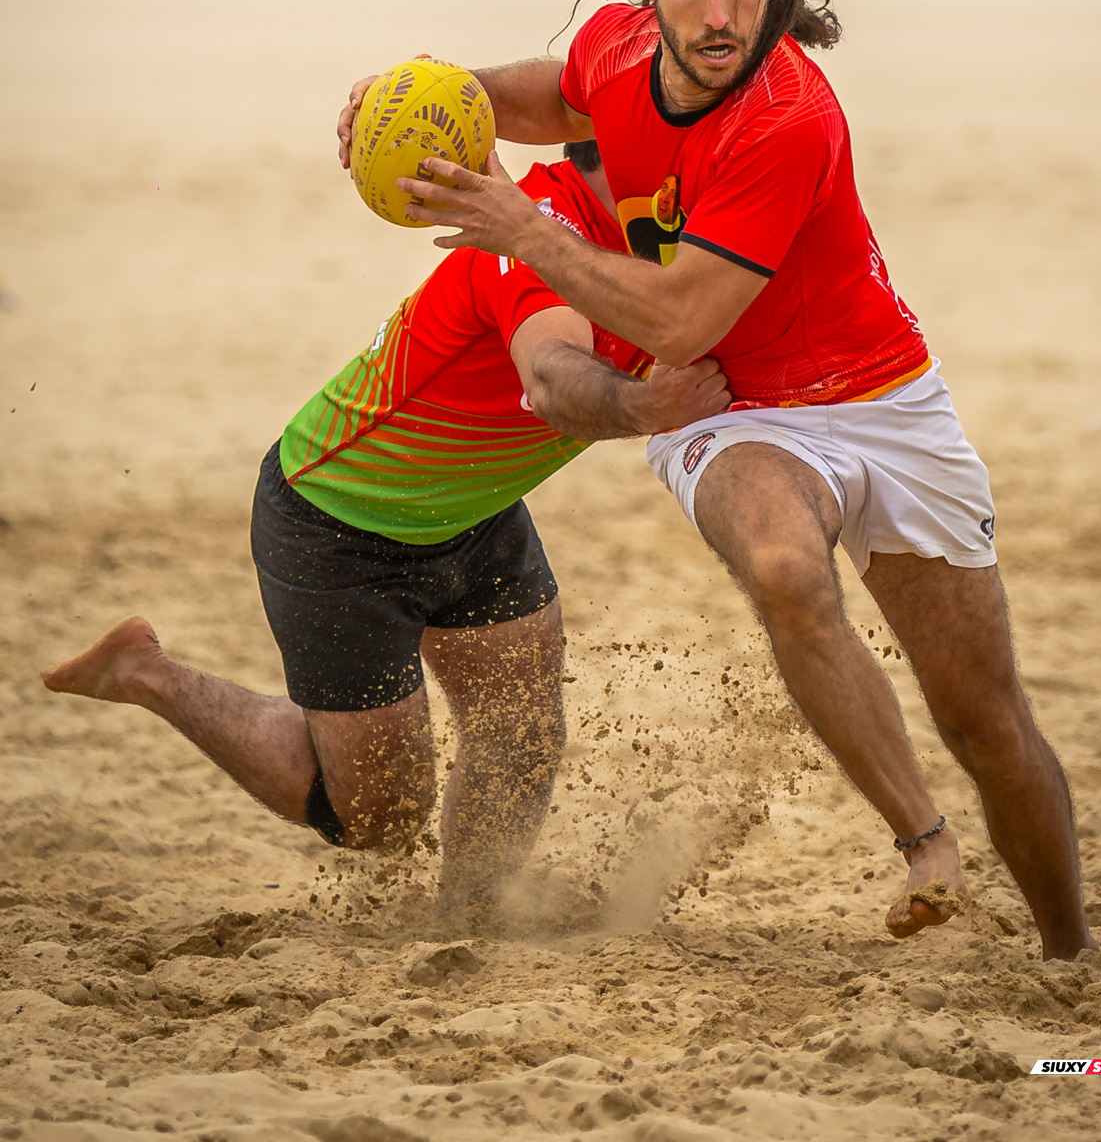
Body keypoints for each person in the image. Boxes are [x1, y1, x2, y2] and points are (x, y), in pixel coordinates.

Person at [340, 0, 1097, 960]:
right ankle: (924, 840)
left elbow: (679, 311)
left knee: (985, 721)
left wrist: (520, 228)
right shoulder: (617, 47)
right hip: (728, 406)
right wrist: (423, 93)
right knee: (786, 567)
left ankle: (1070, 960)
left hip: (883, 401)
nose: (716, 13)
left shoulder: (787, 118)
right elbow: (556, 96)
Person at [42, 144, 728, 921]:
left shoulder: (670, 243)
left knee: (521, 731)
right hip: (337, 518)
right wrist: (645, 408)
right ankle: (146, 673)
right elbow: (549, 377)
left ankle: (471, 919)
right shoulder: (536, 233)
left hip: (473, 506)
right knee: (379, 820)